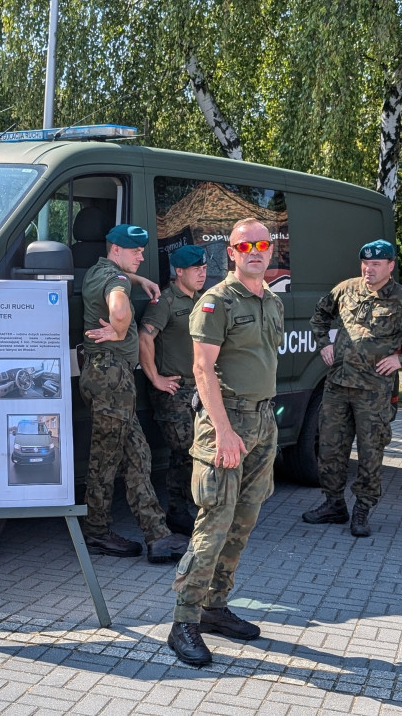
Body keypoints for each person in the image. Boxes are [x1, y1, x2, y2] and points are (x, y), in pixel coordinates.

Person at [168, 218, 284, 667]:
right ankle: (183, 622)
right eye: (245, 244)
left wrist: (257, 427)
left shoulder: (270, 300)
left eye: (262, 243)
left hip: (262, 424)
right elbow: (202, 369)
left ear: (270, 251)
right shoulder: (216, 302)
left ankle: (215, 607)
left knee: (243, 522)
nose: (254, 250)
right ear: (232, 253)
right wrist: (224, 431)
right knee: (213, 523)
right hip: (226, 425)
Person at [303, 239, 402, 538]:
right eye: (366, 263)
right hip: (338, 386)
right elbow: (319, 316)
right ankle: (334, 505)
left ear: (390, 266)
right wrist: (324, 345)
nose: (369, 269)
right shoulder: (346, 289)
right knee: (330, 450)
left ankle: (362, 509)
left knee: (370, 453)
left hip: (373, 391)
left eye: (377, 264)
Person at [79, 224, 190, 563]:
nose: (142, 256)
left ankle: (158, 536)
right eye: (135, 251)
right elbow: (119, 305)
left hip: (105, 377)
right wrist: (119, 326)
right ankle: (97, 532)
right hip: (112, 378)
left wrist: (138, 280)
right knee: (105, 461)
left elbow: (116, 280)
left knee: (138, 456)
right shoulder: (117, 281)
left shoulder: (96, 271)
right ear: (116, 249)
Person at [138, 244, 209, 536]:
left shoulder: (204, 299)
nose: (202, 274)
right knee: (184, 451)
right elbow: (145, 338)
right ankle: (178, 511)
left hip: (200, 387)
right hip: (174, 390)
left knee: (199, 450)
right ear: (179, 271)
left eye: (204, 268)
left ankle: (192, 506)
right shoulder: (164, 302)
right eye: (196, 269)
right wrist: (155, 377)